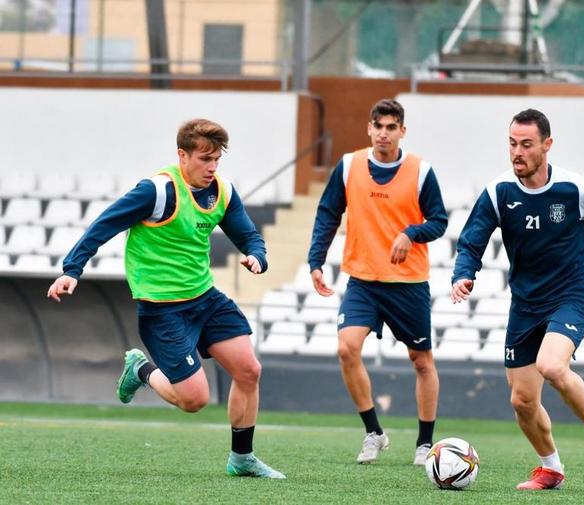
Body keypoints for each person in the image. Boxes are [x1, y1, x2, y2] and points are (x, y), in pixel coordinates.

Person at [46, 118, 285, 479]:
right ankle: (140, 369)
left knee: (249, 370)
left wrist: (257, 256)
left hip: (206, 299)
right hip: (163, 311)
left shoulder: (223, 191)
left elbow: (248, 235)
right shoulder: (157, 191)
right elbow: (104, 225)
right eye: (205, 159)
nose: (212, 167)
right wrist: (71, 269)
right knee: (194, 400)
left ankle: (242, 459)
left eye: (217, 159)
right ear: (182, 155)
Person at [451, 108, 584, 490]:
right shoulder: (500, 192)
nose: (517, 152)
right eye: (512, 143)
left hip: (574, 292)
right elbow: (472, 240)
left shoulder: (576, 188)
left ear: (547, 145)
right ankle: (551, 469)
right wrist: (464, 274)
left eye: (526, 144)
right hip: (526, 302)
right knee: (522, 401)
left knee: (551, 365)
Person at [307, 99, 448, 465]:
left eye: (391, 126)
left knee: (421, 362)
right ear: (369, 128)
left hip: (408, 283)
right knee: (346, 348)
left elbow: (439, 221)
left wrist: (411, 233)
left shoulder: (421, 171)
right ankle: (374, 433)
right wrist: (316, 260)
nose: (384, 133)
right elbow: (328, 213)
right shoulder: (349, 165)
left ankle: (424, 444)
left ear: (402, 131)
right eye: (378, 126)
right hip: (363, 281)